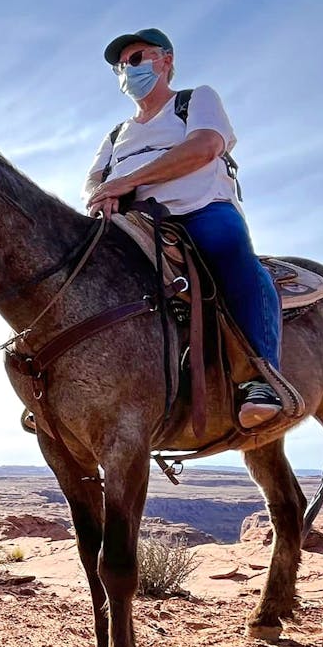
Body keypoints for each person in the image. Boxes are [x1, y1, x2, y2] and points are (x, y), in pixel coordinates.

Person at [83, 28, 283, 429]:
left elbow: (206, 145)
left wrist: (123, 182)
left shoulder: (194, 101)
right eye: (121, 66)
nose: (128, 69)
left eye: (137, 58)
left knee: (229, 250)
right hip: (132, 222)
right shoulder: (115, 134)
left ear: (166, 60)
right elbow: (94, 179)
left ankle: (261, 378)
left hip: (199, 210)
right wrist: (101, 195)